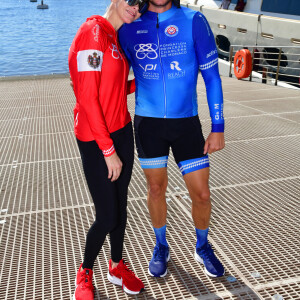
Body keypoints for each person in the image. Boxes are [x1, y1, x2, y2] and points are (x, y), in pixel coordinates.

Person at [118, 0, 225, 278]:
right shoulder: (129, 25)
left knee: (202, 194)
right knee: (155, 190)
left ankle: (202, 246)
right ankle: (161, 245)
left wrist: (218, 126)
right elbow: (112, 71)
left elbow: (212, 77)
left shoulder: (193, 20)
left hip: (186, 124)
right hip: (148, 124)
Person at [68, 0, 148, 299]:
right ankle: (85, 271)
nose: (136, 8)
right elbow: (87, 97)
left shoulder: (115, 36)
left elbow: (113, 87)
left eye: (141, 5)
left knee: (121, 205)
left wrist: (140, 82)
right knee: (107, 215)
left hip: (121, 131)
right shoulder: (92, 33)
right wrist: (107, 150)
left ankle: (116, 265)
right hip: (95, 138)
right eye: (132, 1)